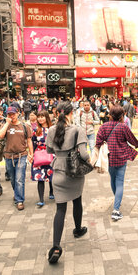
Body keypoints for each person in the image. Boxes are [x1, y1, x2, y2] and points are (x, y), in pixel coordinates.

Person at [45, 102, 89, 264]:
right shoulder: (77, 130)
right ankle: (78, 230)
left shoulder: (51, 130)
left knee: (60, 209)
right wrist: (94, 161)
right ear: (71, 114)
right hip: (73, 171)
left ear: (57, 114)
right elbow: (84, 154)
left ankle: (56, 246)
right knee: (77, 199)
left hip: (57, 171)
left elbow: (50, 151)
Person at [95, 105, 138, 221]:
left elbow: (98, 142)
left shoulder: (104, 126)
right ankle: (116, 210)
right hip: (121, 158)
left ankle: (117, 202)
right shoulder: (123, 127)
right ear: (122, 116)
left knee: (112, 180)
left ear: (110, 115)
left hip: (109, 158)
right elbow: (132, 140)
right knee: (120, 182)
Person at [0, 106, 33, 211]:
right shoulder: (5, 126)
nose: (11, 116)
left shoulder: (24, 126)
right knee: (13, 179)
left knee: (19, 179)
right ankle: (17, 193)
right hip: (9, 156)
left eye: (13, 114)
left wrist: (31, 153)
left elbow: (29, 140)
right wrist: (7, 123)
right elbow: (0, 135)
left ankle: (19, 200)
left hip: (21, 155)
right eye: (9, 114)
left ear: (18, 113)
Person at [31, 110, 54, 208]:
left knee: (52, 176)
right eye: (39, 117)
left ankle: (52, 192)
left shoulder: (52, 129)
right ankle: (41, 199)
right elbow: (32, 143)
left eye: (42, 116)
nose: (40, 119)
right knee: (40, 178)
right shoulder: (35, 130)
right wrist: (31, 154)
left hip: (51, 155)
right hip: (39, 156)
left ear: (47, 117)